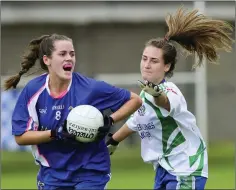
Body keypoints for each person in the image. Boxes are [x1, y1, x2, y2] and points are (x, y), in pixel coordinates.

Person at [106, 7, 234, 190]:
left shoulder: (170, 90)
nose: (147, 65)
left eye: (154, 61)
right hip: (164, 168)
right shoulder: (145, 95)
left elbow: (165, 102)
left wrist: (157, 94)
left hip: (185, 166)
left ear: (167, 66)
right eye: (144, 59)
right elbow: (136, 121)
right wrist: (114, 141)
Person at [4, 33, 142, 190]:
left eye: (72, 54)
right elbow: (21, 136)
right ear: (46, 60)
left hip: (91, 171)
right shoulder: (33, 90)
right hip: (52, 174)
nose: (69, 58)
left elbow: (135, 100)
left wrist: (110, 120)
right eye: (62, 54)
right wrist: (56, 133)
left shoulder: (90, 88)